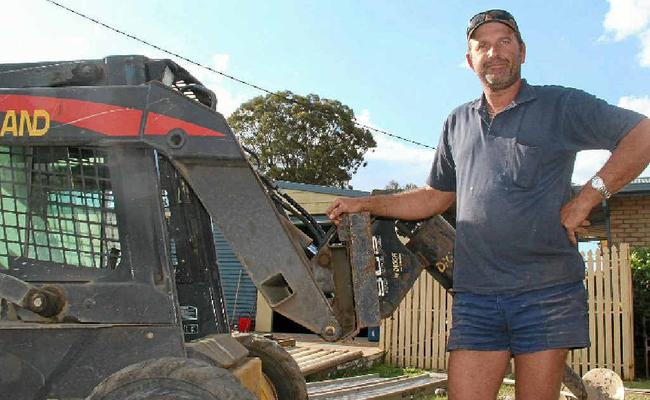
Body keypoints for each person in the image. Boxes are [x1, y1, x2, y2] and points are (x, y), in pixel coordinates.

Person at [327, 9, 650, 400]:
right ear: (470, 59)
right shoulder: (458, 122)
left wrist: (587, 197)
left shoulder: (560, 105)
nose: (493, 52)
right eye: (482, 45)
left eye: (504, 42)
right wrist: (367, 204)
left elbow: (642, 133)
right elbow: (434, 196)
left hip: (545, 292)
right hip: (477, 295)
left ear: (522, 51)